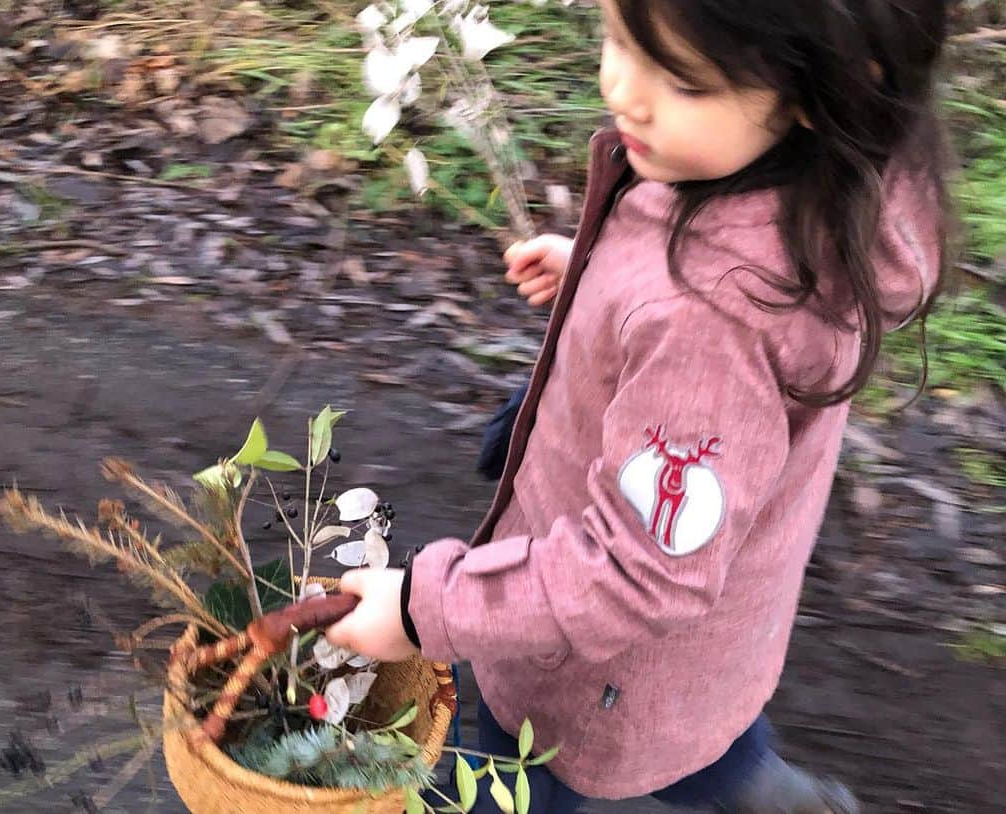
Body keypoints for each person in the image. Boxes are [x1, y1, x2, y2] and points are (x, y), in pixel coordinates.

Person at [327, 0, 951, 810]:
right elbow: (685, 328)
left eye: (682, 81)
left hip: (586, 680)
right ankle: (766, 792)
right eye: (617, 39)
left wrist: (421, 611)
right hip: (712, 644)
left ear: (816, 89)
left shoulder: (709, 316)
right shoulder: (821, 184)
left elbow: (633, 569)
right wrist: (599, 277)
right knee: (698, 723)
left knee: (518, 780)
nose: (623, 90)